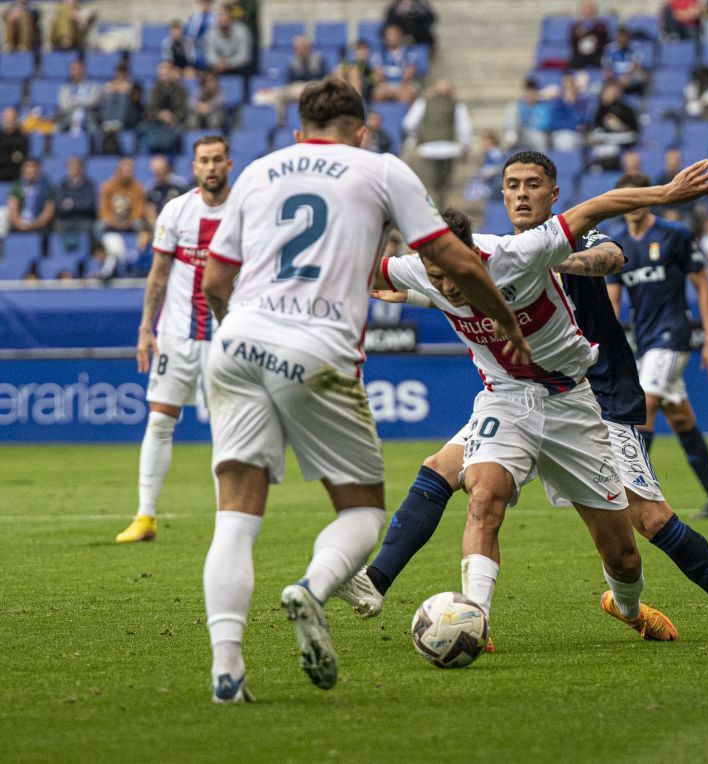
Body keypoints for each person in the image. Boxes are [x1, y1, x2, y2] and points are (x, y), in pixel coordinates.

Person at [338, 152, 708, 642]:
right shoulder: (459, 261)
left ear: (553, 193)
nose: (522, 193)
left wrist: (555, 256)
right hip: (509, 398)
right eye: (512, 185)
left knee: (639, 535)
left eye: (533, 184)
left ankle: (674, 609)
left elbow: (610, 254)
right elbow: (404, 277)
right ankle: (448, 612)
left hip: (593, 399)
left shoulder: (544, 244)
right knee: (467, 482)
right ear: (501, 195)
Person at [198, 78, 529, 703]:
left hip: (236, 342)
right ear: (362, 128)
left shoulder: (260, 171)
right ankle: (313, 589)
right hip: (317, 348)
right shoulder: (380, 169)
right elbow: (456, 261)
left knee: (236, 519)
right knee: (361, 512)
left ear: (299, 132)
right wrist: (508, 324)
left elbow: (217, 280)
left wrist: (239, 340)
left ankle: (228, 673)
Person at [116, 136, 233, 545]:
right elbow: (159, 273)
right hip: (176, 335)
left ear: (229, 164)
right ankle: (145, 516)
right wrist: (145, 328)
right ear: (195, 166)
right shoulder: (177, 210)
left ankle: (228, 523)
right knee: (160, 420)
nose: (212, 166)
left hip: (228, 338)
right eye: (204, 160)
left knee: (228, 428)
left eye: (218, 159)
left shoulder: (246, 212)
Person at [606, 173, 708, 518]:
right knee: (680, 418)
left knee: (643, 404)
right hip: (644, 342)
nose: (630, 204)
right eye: (623, 198)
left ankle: (639, 498)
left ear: (647, 198)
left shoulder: (673, 234)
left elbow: (702, 286)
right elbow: (612, 305)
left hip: (674, 335)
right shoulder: (615, 244)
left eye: (635, 196)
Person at [401, 79, 472, 208]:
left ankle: (434, 215)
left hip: (428, 149)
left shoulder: (424, 102)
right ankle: (443, 212)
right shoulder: (455, 104)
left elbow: (409, 123)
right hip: (449, 149)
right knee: (444, 187)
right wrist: (465, 148)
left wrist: (416, 139)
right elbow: (465, 128)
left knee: (430, 186)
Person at [589, 81, 639, 171]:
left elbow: (633, 132)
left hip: (622, 140)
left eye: (614, 91)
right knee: (599, 150)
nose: (611, 94)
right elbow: (596, 127)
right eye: (608, 91)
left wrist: (621, 129)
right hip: (605, 140)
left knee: (612, 149)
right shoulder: (601, 109)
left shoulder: (626, 109)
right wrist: (605, 104)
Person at [145, 61, 189, 154]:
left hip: (176, 123)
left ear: (172, 72)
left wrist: (173, 117)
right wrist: (160, 115)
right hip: (157, 123)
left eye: (167, 71)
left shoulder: (181, 90)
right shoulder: (154, 90)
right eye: (162, 72)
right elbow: (150, 110)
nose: (164, 74)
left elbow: (184, 109)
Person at [97, 157, 147, 234]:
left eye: (130, 171)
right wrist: (112, 221)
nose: (127, 174)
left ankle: (138, 246)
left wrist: (130, 221)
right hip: (112, 220)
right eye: (125, 171)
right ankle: (99, 246)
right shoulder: (107, 186)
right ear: (118, 171)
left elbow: (139, 209)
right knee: (99, 226)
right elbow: (103, 209)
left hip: (130, 221)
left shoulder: (138, 187)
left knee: (140, 225)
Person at [371, 23, 418, 103]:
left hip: (404, 84)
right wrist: (387, 87)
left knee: (406, 95)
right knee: (377, 93)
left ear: (400, 36)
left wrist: (399, 88)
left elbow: (409, 73)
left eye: (394, 34)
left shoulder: (409, 52)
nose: (391, 37)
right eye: (388, 34)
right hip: (385, 84)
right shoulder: (379, 53)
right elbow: (378, 74)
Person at [8, 158, 55, 233]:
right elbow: (13, 209)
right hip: (19, 226)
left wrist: (35, 225)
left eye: (33, 167)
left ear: (38, 170)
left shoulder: (47, 186)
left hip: (39, 227)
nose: (30, 170)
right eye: (28, 167)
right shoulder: (17, 186)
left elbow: (49, 210)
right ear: (23, 170)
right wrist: (20, 225)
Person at [502, 78, 551, 151]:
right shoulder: (517, 105)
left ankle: (542, 161)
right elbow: (510, 123)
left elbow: (545, 125)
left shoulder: (542, 106)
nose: (530, 94)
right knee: (511, 135)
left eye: (532, 91)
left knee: (539, 138)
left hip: (537, 135)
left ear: (536, 93)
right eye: (528, 91)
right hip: (520, 135)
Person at [57, 59, 101, 135]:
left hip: (88, 115)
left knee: (94, 129)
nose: (77, 72)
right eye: (74, 69)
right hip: (69, 115)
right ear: (71, 71)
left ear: (84, 70)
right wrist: (82, 101)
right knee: (57, 129)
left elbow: (92, 102)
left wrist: (75, 101)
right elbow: (64, 105)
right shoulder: (65, 88)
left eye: (79, 68)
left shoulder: (93, 86)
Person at [206, 7, 253, 77]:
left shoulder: (242, 31)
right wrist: (218, 63)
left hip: (237, 66)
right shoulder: (210, 34)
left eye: (226, 15)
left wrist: (227, 63)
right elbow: (210, 55)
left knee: (247, 67)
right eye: (220, 15)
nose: (223, 19)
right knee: (208, 70)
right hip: (218, 66)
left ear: (231, 18)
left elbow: (244, 56)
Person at [55, 156, 96, 235]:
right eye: (71, 167)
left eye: (76, 167)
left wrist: (71, 203)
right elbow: (59, 206)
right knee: (58, 226)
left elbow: (88, 205)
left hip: (84, 219)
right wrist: (78, 203)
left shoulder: (89, 185)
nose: (74, 169)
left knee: (89, 226)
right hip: (66, 220)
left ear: (82, 168)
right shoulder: (62, 185)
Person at [145, 155, 188, 228]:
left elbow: (187, 207)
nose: (156, 174)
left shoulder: (180, 185)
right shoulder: (152, 188)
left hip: (179, 223)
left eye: (159, 171)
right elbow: (150, 210)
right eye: (154, 172)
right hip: (159, 225)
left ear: (166, 169)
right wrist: (157, 226)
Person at [602, 27, 648, 95]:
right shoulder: (609, 49)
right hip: (615, 78)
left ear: (628, 38)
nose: (621, 40)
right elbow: (607, 68)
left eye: (623, 37)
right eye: (619, 37)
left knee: (642, 75)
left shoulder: (635, 47)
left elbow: (637, 66)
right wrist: (617, 77)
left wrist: (627, 76)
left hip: (630, 77)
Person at [569, 1, 609, 70]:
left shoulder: (600, 24)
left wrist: (587, 31)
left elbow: (602, 33)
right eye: (585, 9)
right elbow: (574, 37)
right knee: (568, 69)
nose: (587, 12)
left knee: (606, 66)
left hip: (596, 55)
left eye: (590, 9)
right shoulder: (576, 26)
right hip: (580, 55)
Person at [184, 0, 216, 70]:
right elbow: (189, 36)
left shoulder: (216, 17)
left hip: (211, 46)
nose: (205, 4)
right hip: (196, 47)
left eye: (207, 2)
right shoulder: (194, 17)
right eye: (203, 2)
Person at [0, 107, 28, 181]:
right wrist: (10, 156)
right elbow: (14, 157)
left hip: (15, 174)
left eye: (11, 117)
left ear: (16, 119)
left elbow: (21, 158)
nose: (8, 120)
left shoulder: (22, 137)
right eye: (6, 117)